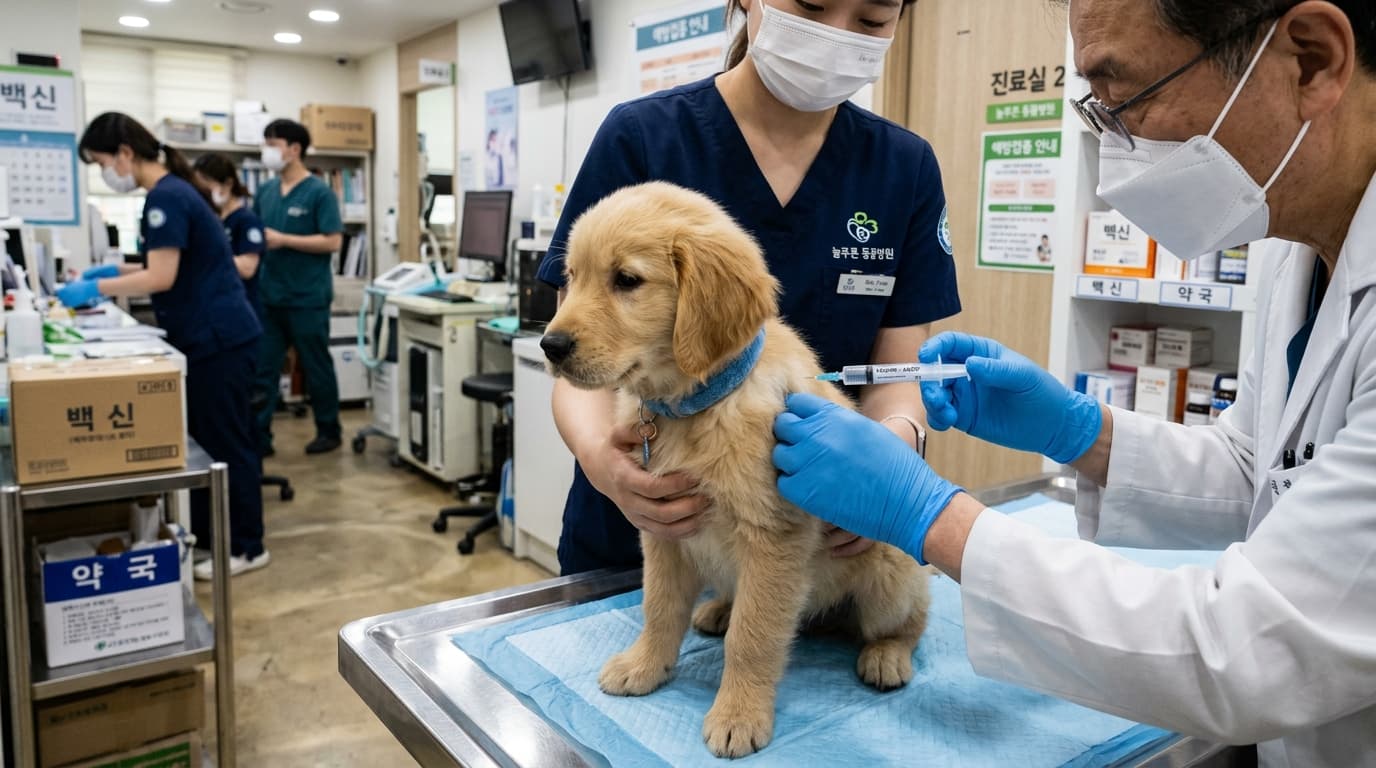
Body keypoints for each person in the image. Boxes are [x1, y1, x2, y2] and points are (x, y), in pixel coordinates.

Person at [772, 2, 1376, 764]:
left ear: (1313, 60)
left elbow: (1245, 649)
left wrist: (930, 516)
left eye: (1124, 97)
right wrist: (1084, 435)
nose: (1114, 144)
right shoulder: (1294, 247)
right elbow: (1264, 472)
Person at [538, 0, 961, 574]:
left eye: (871, 21)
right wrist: (603, 464)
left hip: (799, 540)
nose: (832, 34)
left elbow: (897, 372)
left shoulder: (903, 167)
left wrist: (892, 449)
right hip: (639, 535)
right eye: (811, 4)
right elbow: (577, 351)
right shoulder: (643, 137)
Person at [61, 112, 268, 578]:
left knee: (228, 444)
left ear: (125, 154)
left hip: (220, 339)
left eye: (101, 163)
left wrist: (96, 289)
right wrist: (110, 275)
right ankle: (218, 539)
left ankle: (248, 547)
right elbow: (168, 265)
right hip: (209, 336)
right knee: (212, 440)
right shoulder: (174, 190)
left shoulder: (166, 198)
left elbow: (161, 275)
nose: (104, 175)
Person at [253, 119, 344, 456]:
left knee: (316, 364)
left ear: (295, 149)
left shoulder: (319, 193)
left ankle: (329, 430)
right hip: (270, 295)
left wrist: (284, 240)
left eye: (273, 144)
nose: (268, 151)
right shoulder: (265, 192)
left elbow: (333, 241)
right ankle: (259, 436)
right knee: (263, 368)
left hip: (307, 296)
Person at [192, 153, 267, 319]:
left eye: (206, 188)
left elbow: (248, 267)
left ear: (227, 184)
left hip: (241, 307)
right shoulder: (213, 220)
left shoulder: (246, 220)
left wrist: (202, 257)